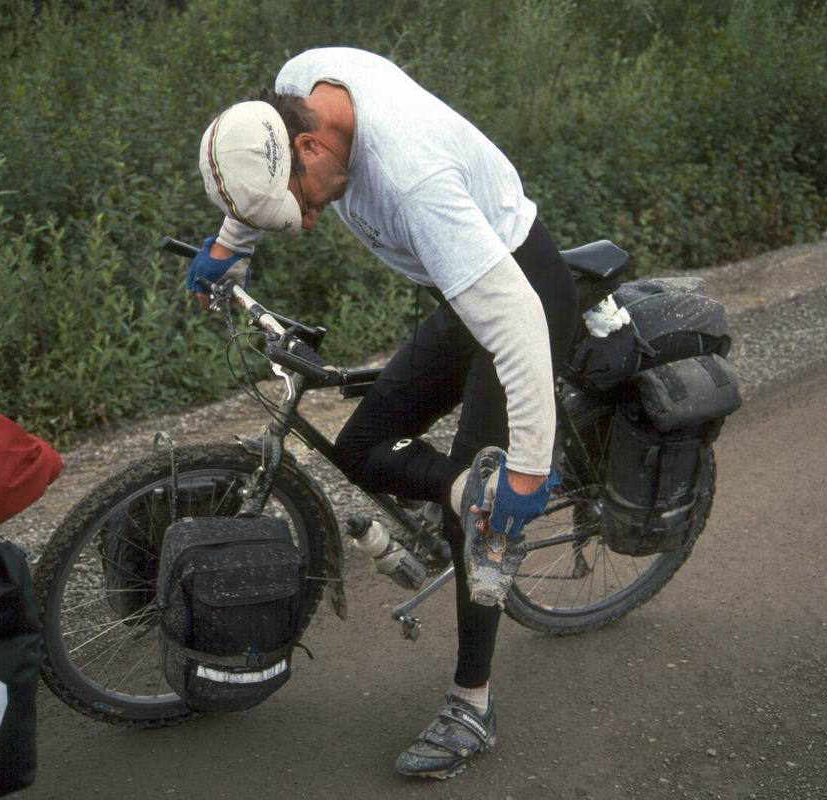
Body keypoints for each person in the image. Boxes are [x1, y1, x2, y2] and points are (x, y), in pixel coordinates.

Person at [188, 47, 577, 779]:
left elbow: (519, 320)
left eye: (302, 203)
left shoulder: (412, 182)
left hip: (518, 288)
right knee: (360, 446)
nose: (303, 222)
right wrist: (228, 241)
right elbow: (262, 157)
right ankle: (463, 489)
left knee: (485, 516)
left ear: (311, 147)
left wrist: (526, 470)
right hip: (465, 291)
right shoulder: (302, 85)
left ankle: (472, 702)